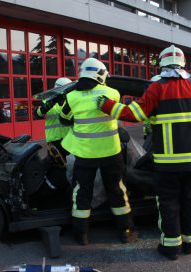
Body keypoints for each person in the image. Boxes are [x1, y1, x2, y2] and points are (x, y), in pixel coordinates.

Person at [98, 45, 191, 260]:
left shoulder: (157, 89)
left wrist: (108, 106)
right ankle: (190, 242)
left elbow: (133, 114)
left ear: (162, 65)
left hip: (167, 164)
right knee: (190, 202)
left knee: (168, 204)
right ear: (183, 63)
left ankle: (170, 246)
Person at [58, 57, 136, 245]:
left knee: (82, 192)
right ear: (101, 74)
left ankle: (81, 235)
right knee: (117, 190)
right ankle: (125, 230)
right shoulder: (113, 93)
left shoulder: (72, 97)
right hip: (111, 152)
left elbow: (64, 119)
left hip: (85, 155)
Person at [36, 77, 73, 164]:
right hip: (54, 140)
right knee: (55, 166)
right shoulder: (46, 101)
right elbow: (37, 115)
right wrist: (48, 105)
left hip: (69, 138)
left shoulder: (71, 101)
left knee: (70, 165)